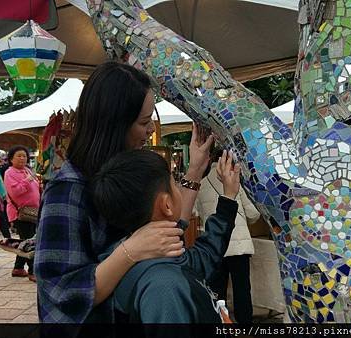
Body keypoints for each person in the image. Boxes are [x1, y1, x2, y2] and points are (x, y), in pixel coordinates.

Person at [34, 61, 213, 323]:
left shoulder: (126, 168)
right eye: (143, 121)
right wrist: (129, 252)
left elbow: (168, 227)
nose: (151, 128)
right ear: (115, 123)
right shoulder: (68, 190)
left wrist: (195, 170)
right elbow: (61, 291)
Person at [92, 149, 240, 325]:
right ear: (167, 205)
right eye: (174, 184)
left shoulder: (138, 255)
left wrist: (228, 198)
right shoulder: (164, 287)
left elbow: (200, 260)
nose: (179, 189)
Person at [195, 147, 260, 323]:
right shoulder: (235, 182)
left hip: (216, 244)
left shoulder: (201, 185)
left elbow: (199, 214)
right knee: (242, 290)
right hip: (239, 246)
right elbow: (253, 213)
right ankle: (245, 327)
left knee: (218, 290)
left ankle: (221, 323)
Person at [4, 146, 40, 282]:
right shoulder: (9, 173)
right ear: (11, 159)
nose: (22, 158)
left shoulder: (27, 170)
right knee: (29, 242)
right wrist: (28, 180)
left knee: (26, 240)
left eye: (24, 156)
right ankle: (32, 271)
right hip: (20, 213)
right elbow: (15, 192)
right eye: (18, 156)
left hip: (33, 212)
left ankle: (18, 268)